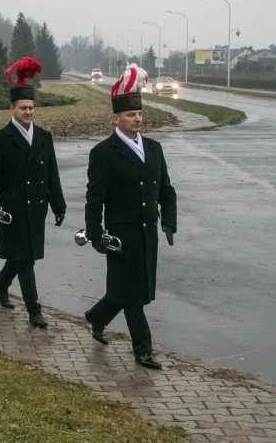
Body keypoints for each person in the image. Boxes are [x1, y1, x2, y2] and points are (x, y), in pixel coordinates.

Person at [83, 64, 177, 370]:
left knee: (127, 291)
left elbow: (166, 189)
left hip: (147, 234)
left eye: (139, 114)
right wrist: (95, 234)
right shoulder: (104, 153)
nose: (137, 118)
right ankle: (143, 350)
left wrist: (169, 221)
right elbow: (94, 198)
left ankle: (96, 318)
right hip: (121, 239)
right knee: (133, 297)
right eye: (130, 115)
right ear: (116, 118)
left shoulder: (154, 148)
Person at [0, 57, 66, 328]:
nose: (28, 112)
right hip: (13, 210)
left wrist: (59, 204)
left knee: (20, 256)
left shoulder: (44, 137)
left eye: (31, 108)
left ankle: (0, 287)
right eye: (23, 108)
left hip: (37, 208)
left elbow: (52, 173)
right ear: (12, 108)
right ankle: (34, 311)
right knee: (25, 259)